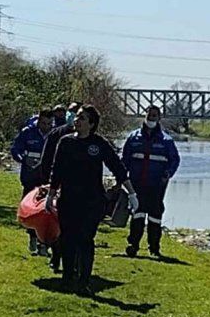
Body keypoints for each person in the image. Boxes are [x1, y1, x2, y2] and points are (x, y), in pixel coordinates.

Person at [45, 104, 139, 295]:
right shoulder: (65, 142)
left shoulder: (99, 144)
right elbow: (57, 171)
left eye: (82, 118)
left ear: (92, 124)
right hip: (68, 199)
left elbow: (117, 167)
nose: (77, 121)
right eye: (77, 117)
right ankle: (67, 279)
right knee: (68, 239)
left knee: (86, 240)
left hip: (92, 201)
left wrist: (131, 193)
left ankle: (83, 282)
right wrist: (50, 194)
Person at [122, 105, 180, 257]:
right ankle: (133, 245)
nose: (151, 118)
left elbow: (174, 160)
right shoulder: (133, 138)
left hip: (157, 185)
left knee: (155, 217)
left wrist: (168, 173)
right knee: (137, 214)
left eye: (155, 115)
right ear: (145, 116)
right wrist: (122, 179)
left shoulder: (166, 140)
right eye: (149, 115)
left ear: (159, 118)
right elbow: (125, 160)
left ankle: (154, 248)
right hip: (137, 184)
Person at [39, 102, 80, 272]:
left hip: (80, 188)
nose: (72, 116)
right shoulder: (56, 134)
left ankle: (75, 262)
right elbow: (46, 161)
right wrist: (45, 185)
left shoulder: (91, 139)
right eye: (71, 112)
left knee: (76, 227)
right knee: (57, 224)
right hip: (57, 186)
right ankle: (56, 257)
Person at [11, 108, 54, 257]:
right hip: (30, 176)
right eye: (43, 123)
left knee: (47, 210)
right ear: (39, 120)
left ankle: (44, 244)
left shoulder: (54, 135)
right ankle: (32, 237)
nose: (46, 126)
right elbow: (15, 149)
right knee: (31, 208)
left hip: (46, 177)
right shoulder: (27, 132)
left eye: (49, 123)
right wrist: (23, 159)